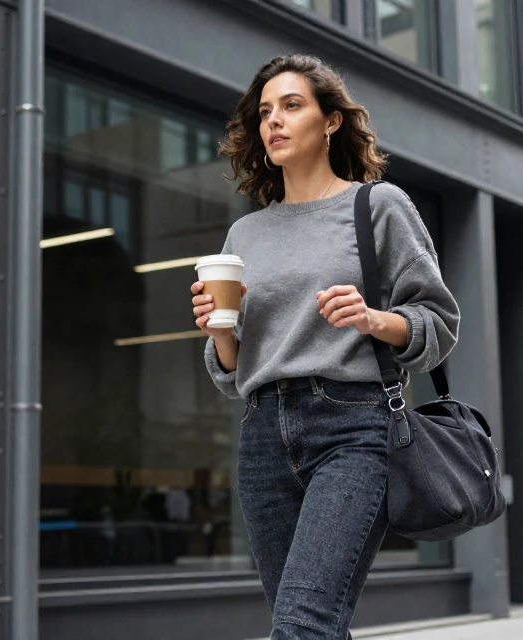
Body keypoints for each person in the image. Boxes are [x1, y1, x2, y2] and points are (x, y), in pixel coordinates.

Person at [191, 54, 461, 639]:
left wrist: (373, 320)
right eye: (265, 112)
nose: (274, 122)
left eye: (292, 106)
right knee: (310, 626)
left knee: (303, 625)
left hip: (351, 427)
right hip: (262, 434)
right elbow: (236, 371)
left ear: (331, 121)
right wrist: (218, 331)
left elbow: (438, 321)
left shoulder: (377, 206)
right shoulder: (246, 233)